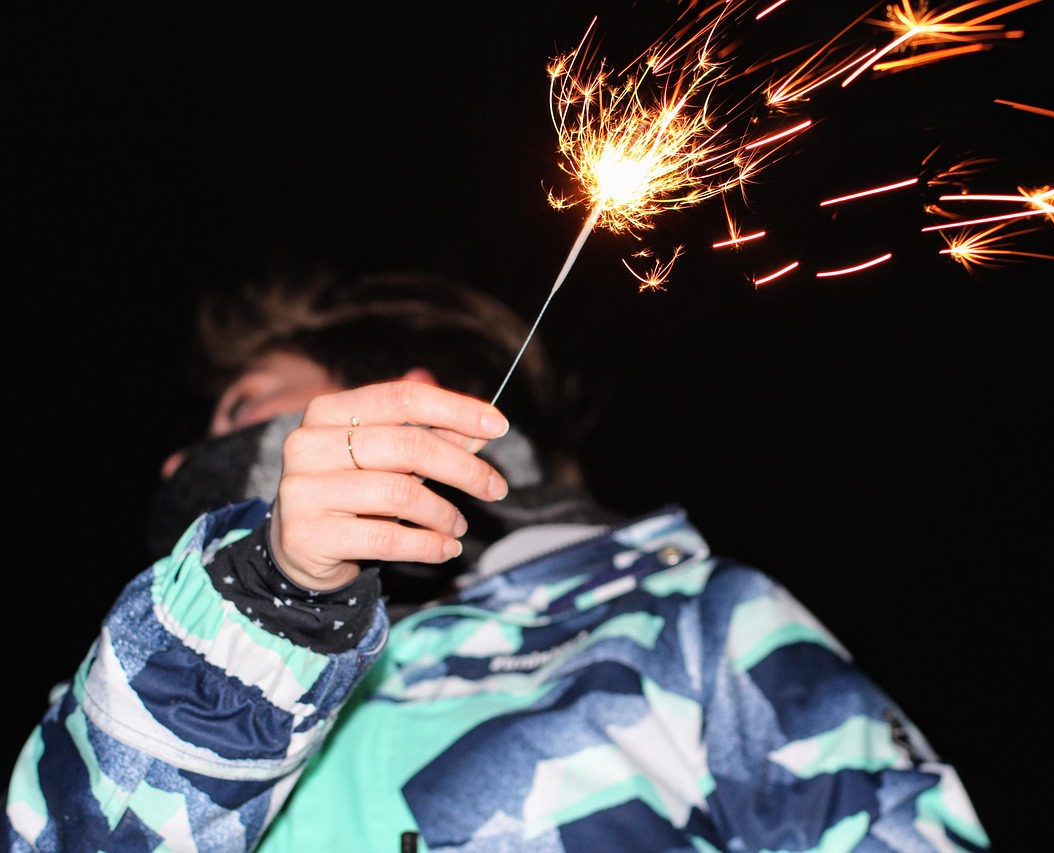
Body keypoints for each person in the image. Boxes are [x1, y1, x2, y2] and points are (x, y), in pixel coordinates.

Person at [4, 268, 991, 851]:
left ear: (406, 396)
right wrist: (273, 599)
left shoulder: (689, 619)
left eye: (239, 407)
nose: (178, 462)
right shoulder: (142, 672)